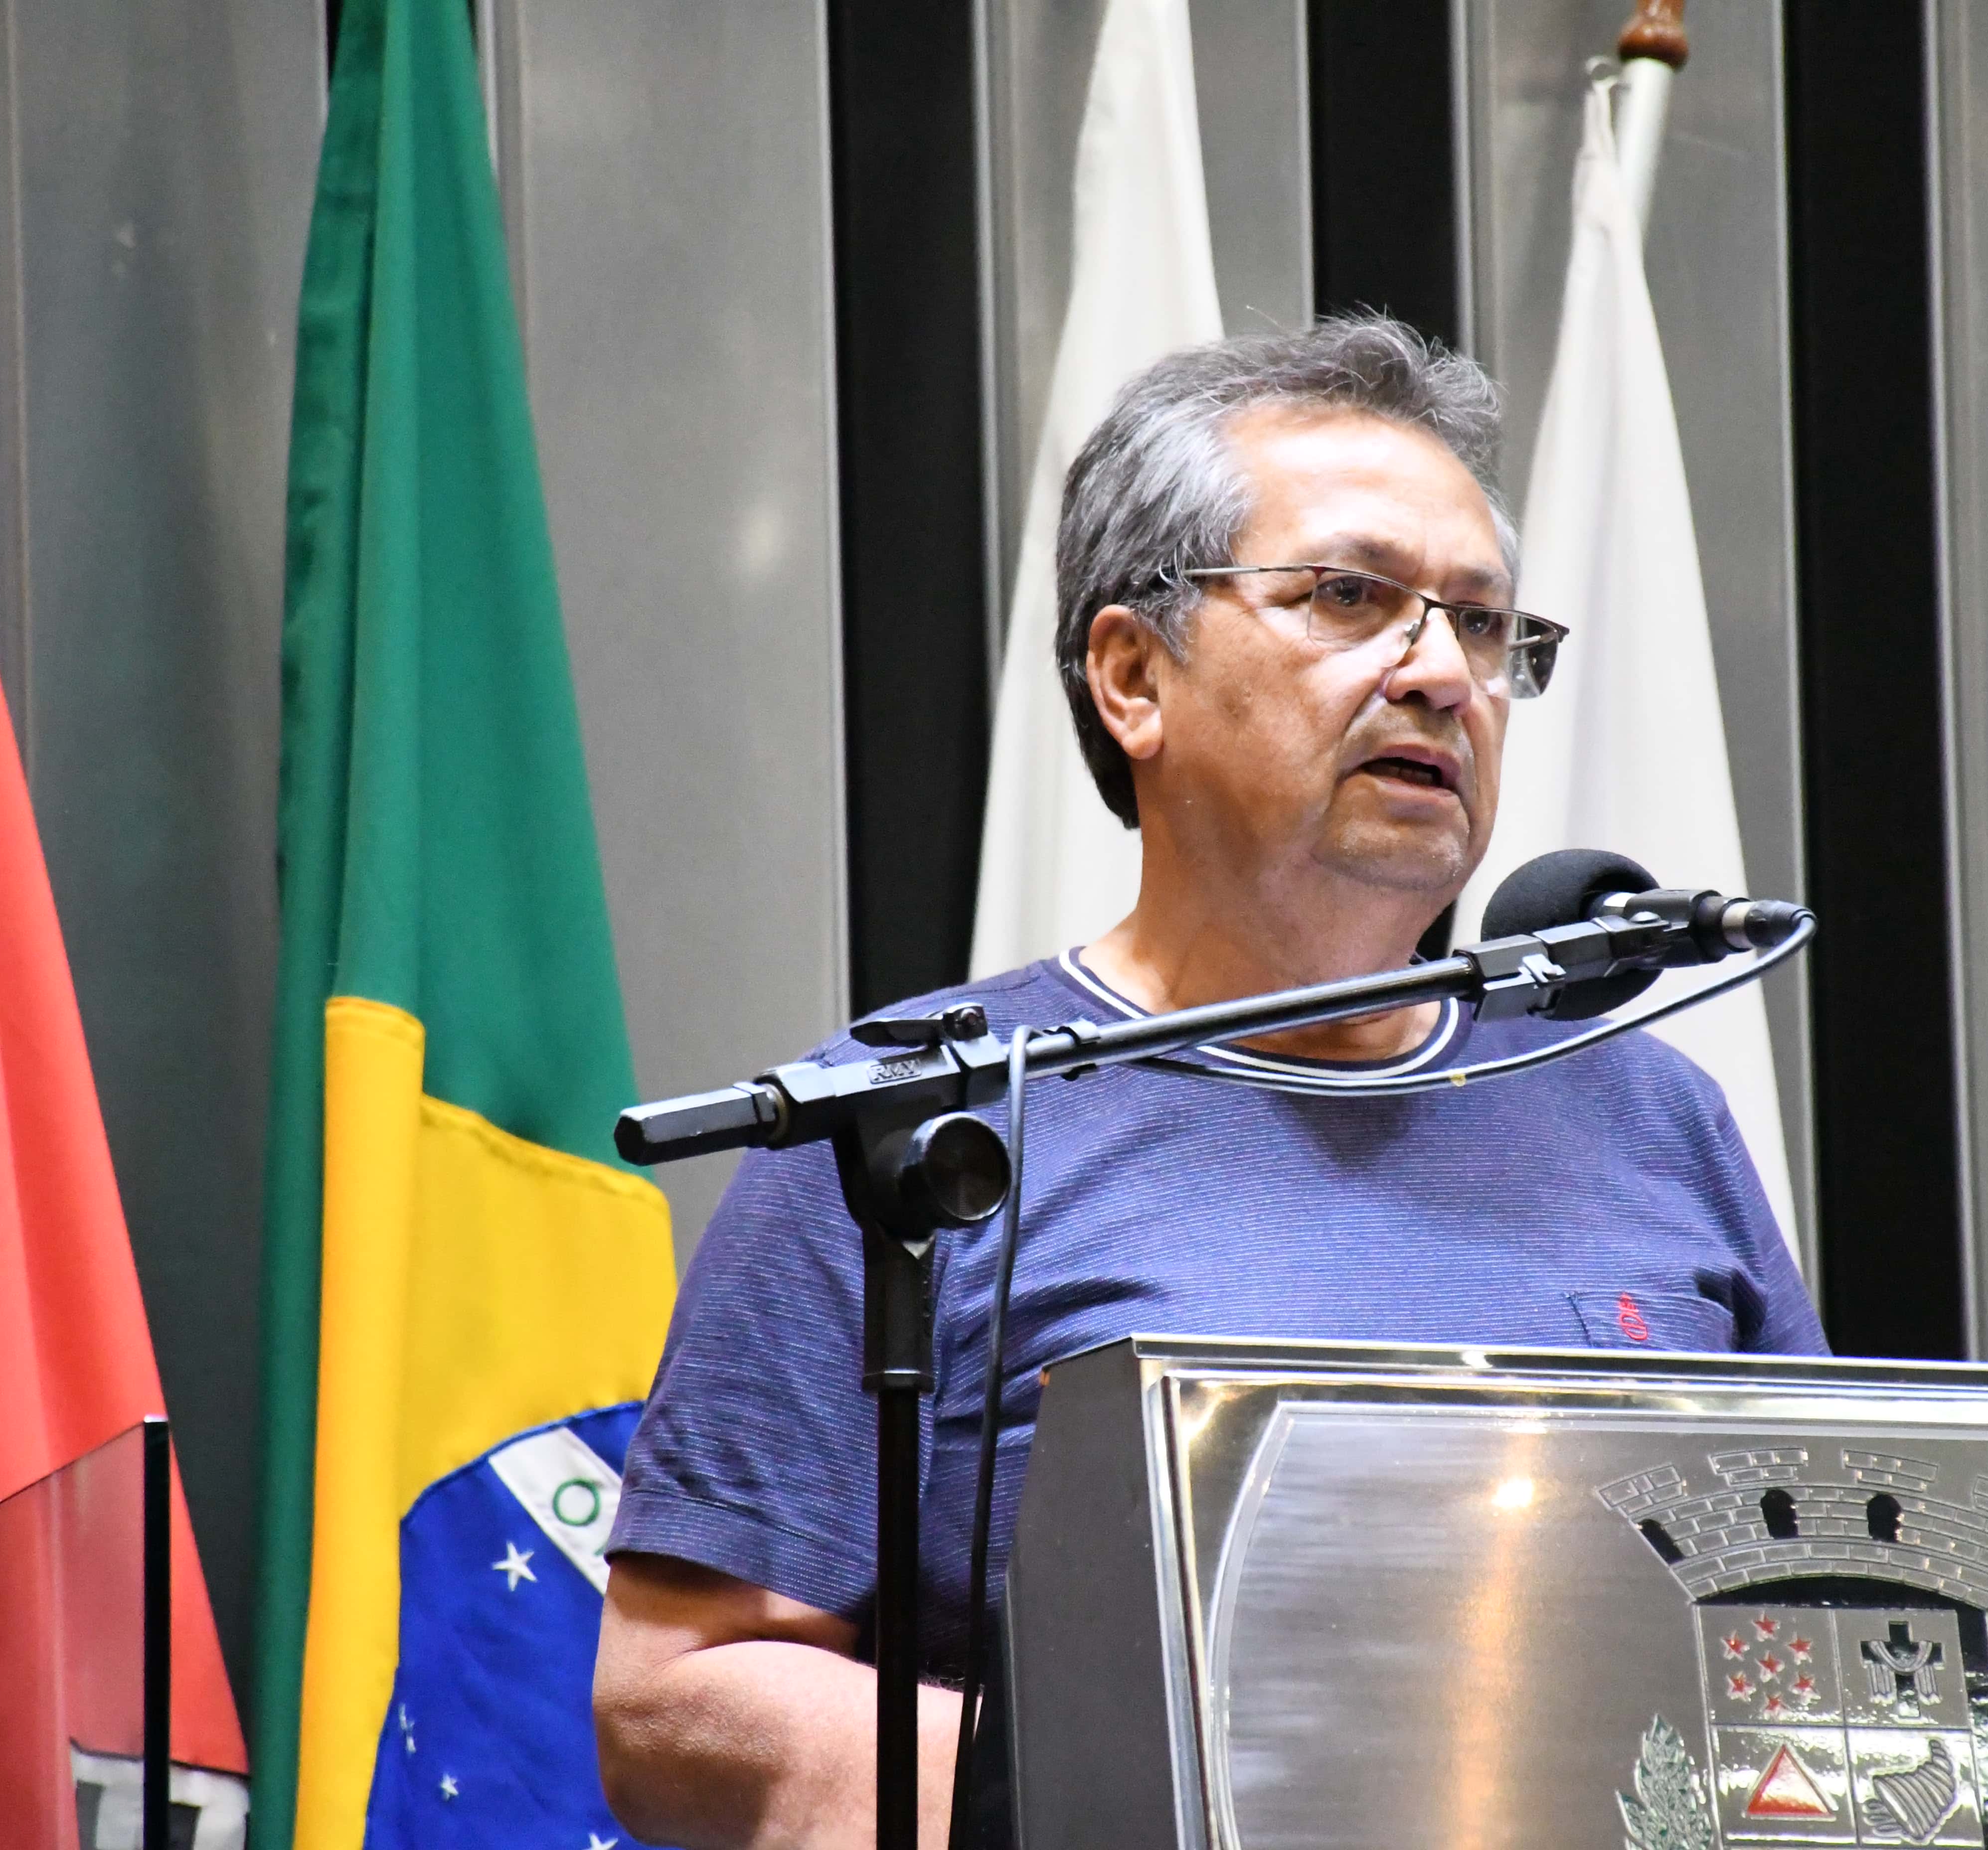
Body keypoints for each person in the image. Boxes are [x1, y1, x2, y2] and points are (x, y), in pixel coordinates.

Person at [592, 315, 1825, 1848]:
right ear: (1133, 677)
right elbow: (677, 1700)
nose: (1442, 674)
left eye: (1482, 625)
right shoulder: (908, 1126)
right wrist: (1175, 1792)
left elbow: (1815, 1613)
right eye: (1351, 596)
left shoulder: (1650, 1115)